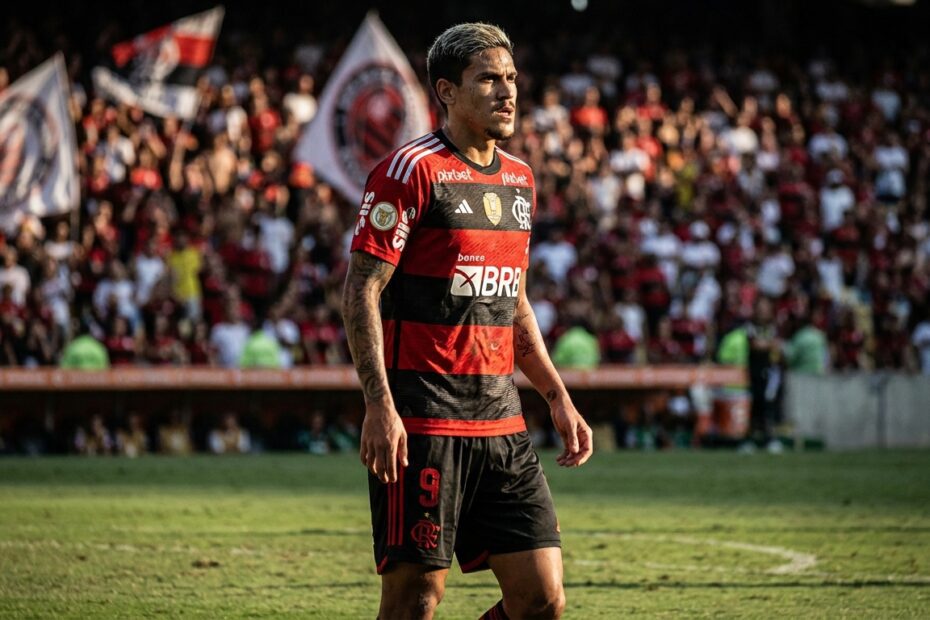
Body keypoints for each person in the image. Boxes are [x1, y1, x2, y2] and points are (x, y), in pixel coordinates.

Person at [341, 23, 592, 620]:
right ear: (447, 91)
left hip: (502, 423)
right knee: (414, 601)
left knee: (542, 600)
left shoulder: (520, 180)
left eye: (511, 78)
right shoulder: (409, 172)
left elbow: (514, 303)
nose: (507, 92)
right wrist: (379, 405)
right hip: (423, 422)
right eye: (488, 79)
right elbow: (361, 291)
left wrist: (557, 396)